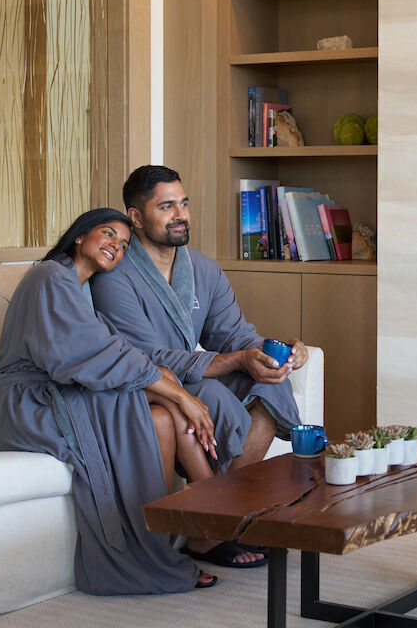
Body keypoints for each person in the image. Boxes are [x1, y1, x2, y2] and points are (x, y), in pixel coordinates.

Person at [0, 208, 220, 594]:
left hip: (62, 391)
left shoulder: (83, 292)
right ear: (80, 236)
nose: (116, 245)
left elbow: (123, 353)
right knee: (162, 415)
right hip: (29, 405)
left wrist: (176, 391)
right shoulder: (50, 276)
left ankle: (208, 516)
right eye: (108, 234)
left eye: (124, 243)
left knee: (165, 407)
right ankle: (183, 533)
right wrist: (184, 397)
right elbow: (87, 355)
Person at [90, 166, 309, 563]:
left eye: (185, 203)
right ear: (136, 218)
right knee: (210, 390)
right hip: (149, 383)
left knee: (270, 383)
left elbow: (234, 335)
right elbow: (146, 358)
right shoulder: (113, 277)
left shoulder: (204, 269)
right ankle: (220, 525)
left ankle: (222, 518)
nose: (181, 215)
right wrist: (232, 360)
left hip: (191, 371)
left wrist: (277, 351)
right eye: (167, 206)